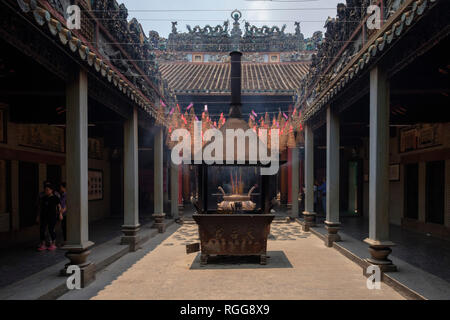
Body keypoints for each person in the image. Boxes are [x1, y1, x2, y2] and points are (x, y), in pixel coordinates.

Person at [37, 183, 60, 251]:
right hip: (44, 216)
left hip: (52, 216)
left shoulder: (55, 197)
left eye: (48, 190)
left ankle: (53, 244)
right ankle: (43, 244)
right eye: (45, 190)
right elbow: (40, 208)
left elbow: (59, 206)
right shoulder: (43, 198)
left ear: (51, 190)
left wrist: (60, 214)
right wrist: (38, 216)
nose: (46, 191)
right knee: (42, 230)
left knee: (51, 230)